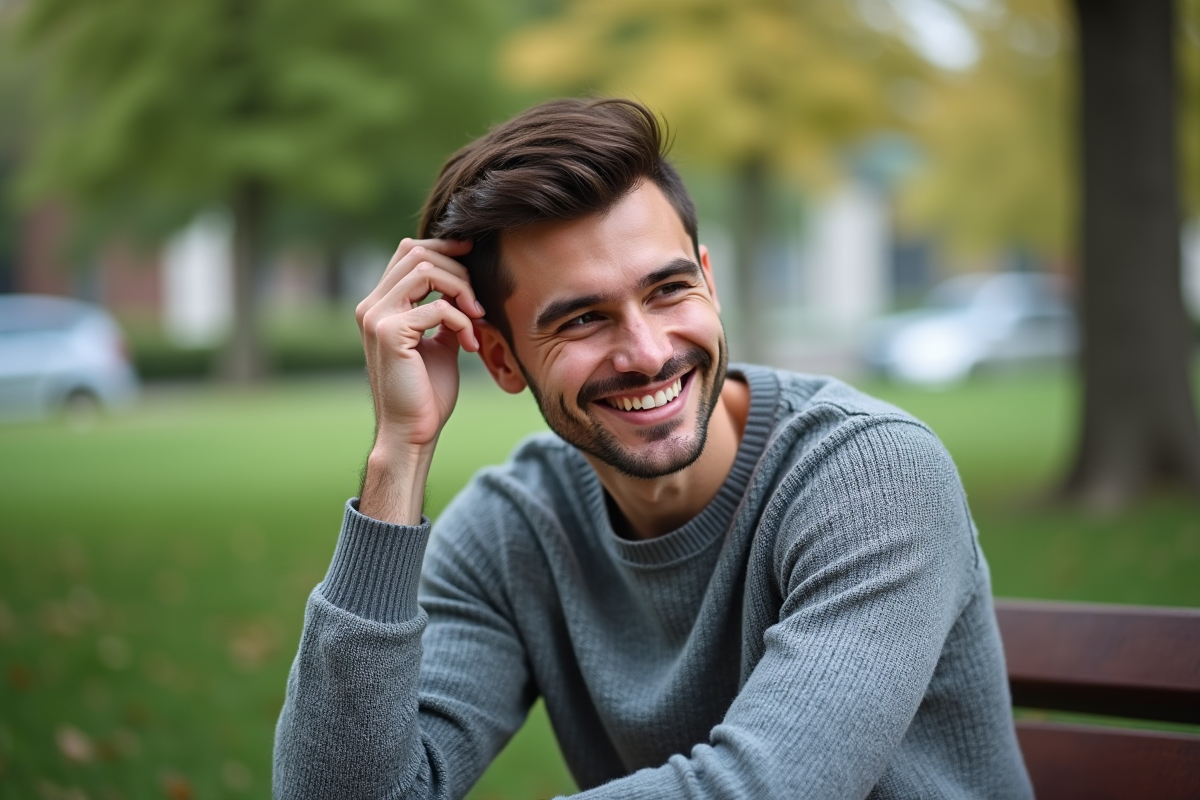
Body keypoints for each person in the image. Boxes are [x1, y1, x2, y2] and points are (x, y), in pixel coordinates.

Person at [272, 98, 1033, 799]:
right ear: (501, 359)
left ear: (710, 283)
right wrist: (399, 453)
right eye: (582, 320)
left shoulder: (872, 476)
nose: (647, 353)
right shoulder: (515, 531)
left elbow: (759, 789)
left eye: (668, 290)